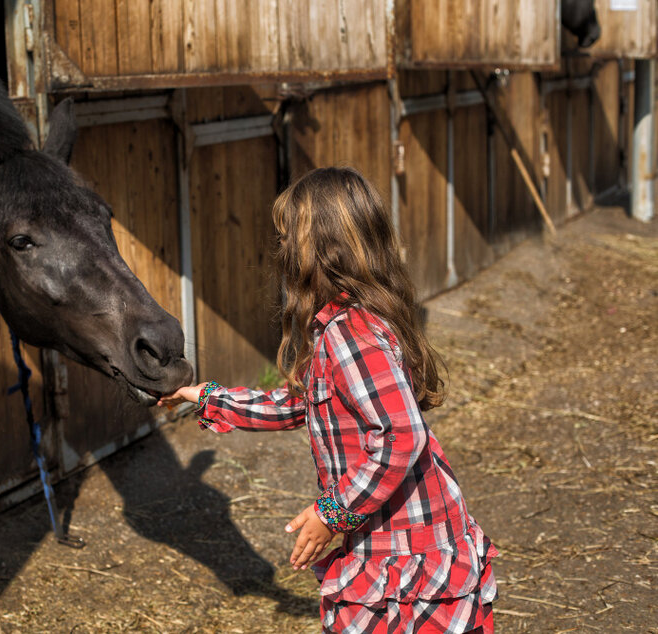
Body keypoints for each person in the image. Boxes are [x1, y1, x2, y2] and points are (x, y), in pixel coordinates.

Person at [158, 167, 497, 633]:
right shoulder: (353, 322)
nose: (280, 250)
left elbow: (401, 436)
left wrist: (331, 513)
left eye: (287, 237)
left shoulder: (351, 334)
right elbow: (298, 404)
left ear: (321, 247)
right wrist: (206, 397)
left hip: (406, 550)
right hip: (394, 537)